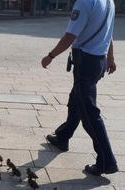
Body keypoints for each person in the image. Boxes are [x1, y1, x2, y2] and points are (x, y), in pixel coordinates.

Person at [41, 0, 118, 176]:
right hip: (98, 61)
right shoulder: (109, 2)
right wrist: (111, 59)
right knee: (76, 100)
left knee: (89, 113)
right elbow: (109, 33)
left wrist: (50, 56)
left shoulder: (84, 3)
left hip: (86, 62)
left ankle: (107, 161)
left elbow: (70, 35)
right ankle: (63, 136)